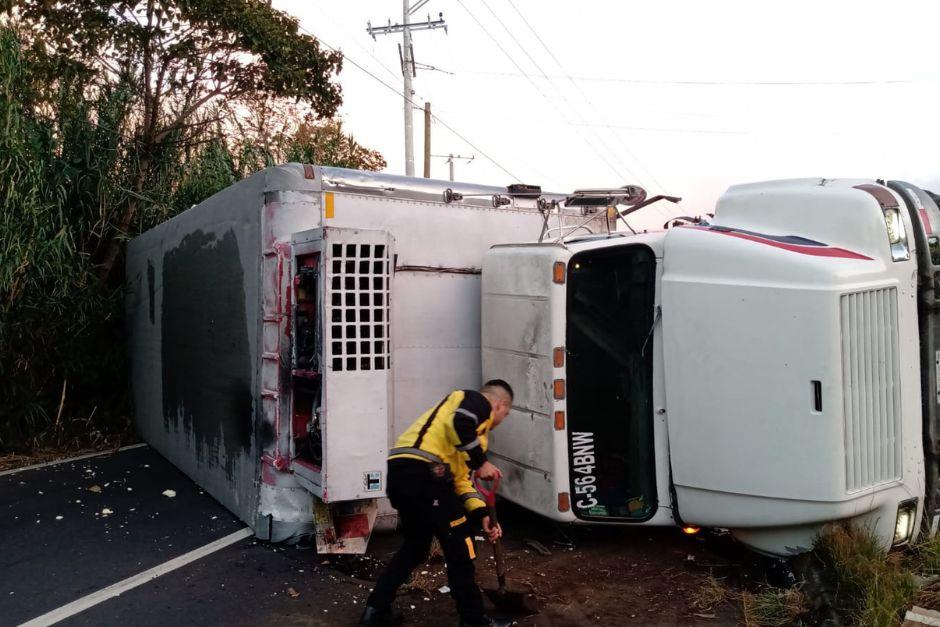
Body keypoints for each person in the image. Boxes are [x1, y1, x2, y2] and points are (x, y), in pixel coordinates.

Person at [360, 379, 515, 627]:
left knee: (416, 547)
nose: (502, 420)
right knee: (461, 547)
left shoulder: (466, 436)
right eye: (505, 414)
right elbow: (461, 422)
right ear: (499, 405)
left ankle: (376, 610)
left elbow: (461, 482)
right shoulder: (475, 401)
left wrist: (482, 514)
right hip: (428, 473)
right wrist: (481, 462)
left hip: (401, 475)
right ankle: (473, 621)